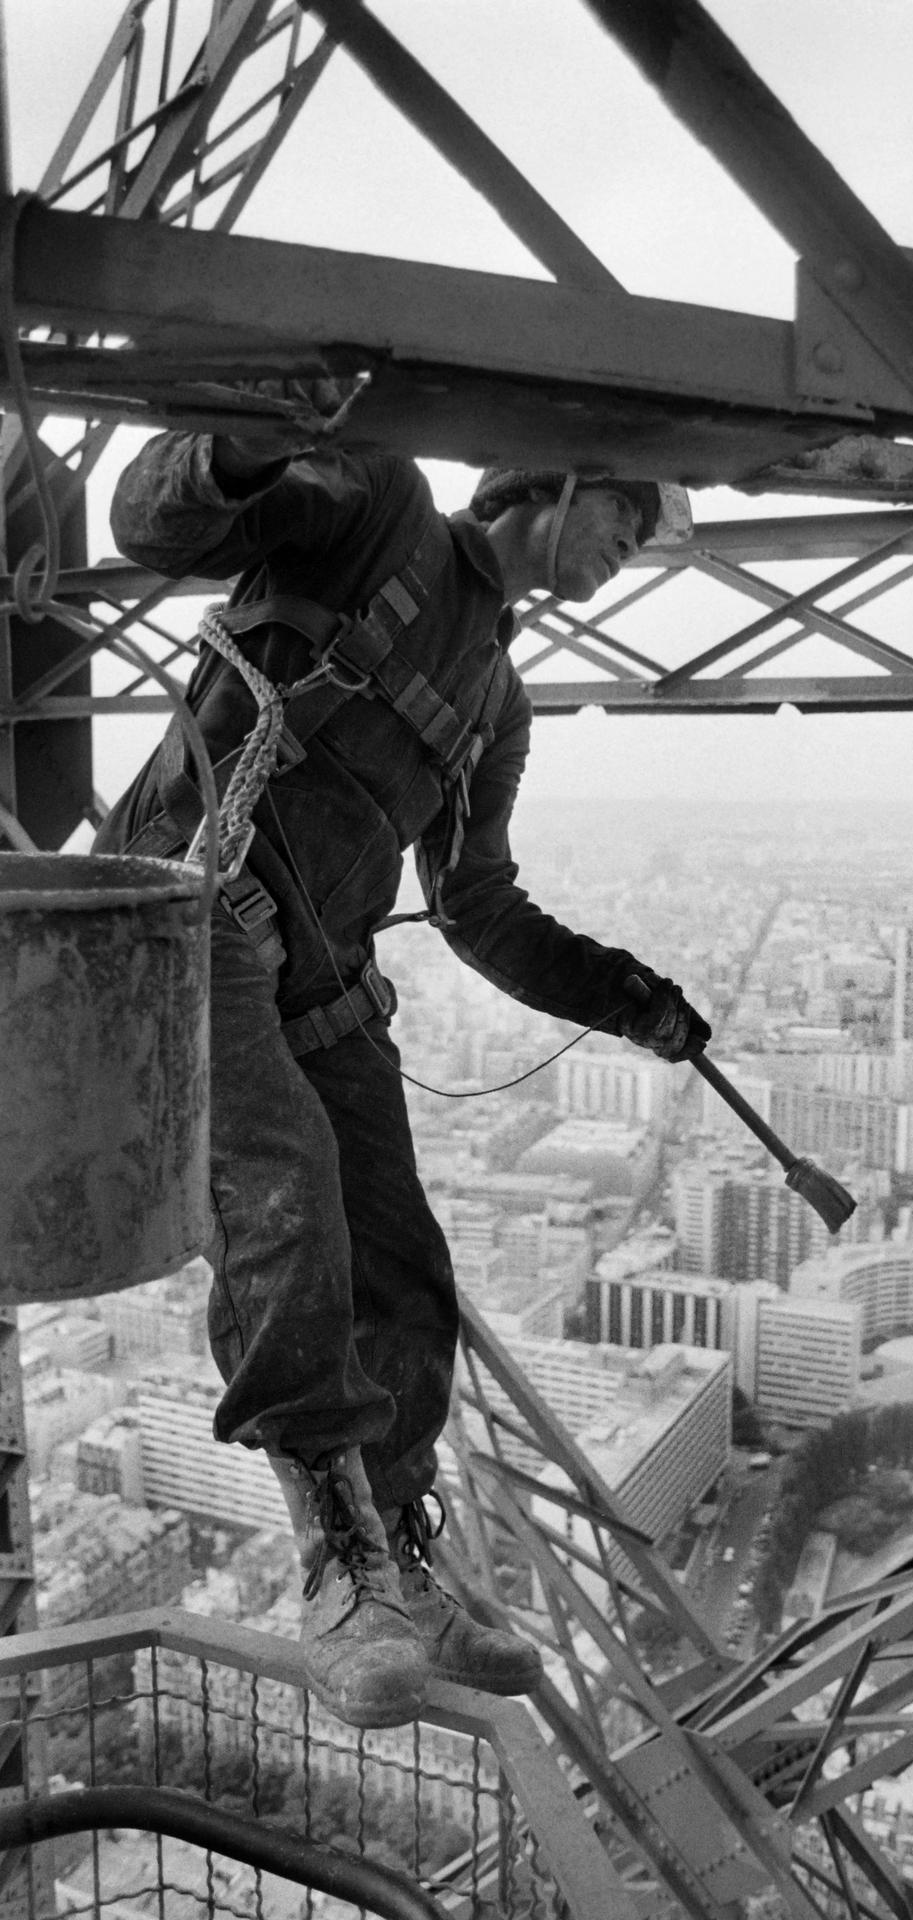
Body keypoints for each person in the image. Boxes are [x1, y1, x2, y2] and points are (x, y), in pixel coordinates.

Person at [97, 419, 711, 1730]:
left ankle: (401, 1567)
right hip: (180, 919)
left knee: (406, 1271)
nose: (623, 554)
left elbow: (477, 909)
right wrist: (247, 448)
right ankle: (339, 1579)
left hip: (315, 982)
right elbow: (152, 524)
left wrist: (630, 1001)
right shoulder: (377, 503)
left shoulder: (496, 701)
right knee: (286, 1199)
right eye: (624, 519)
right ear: (550, 477)